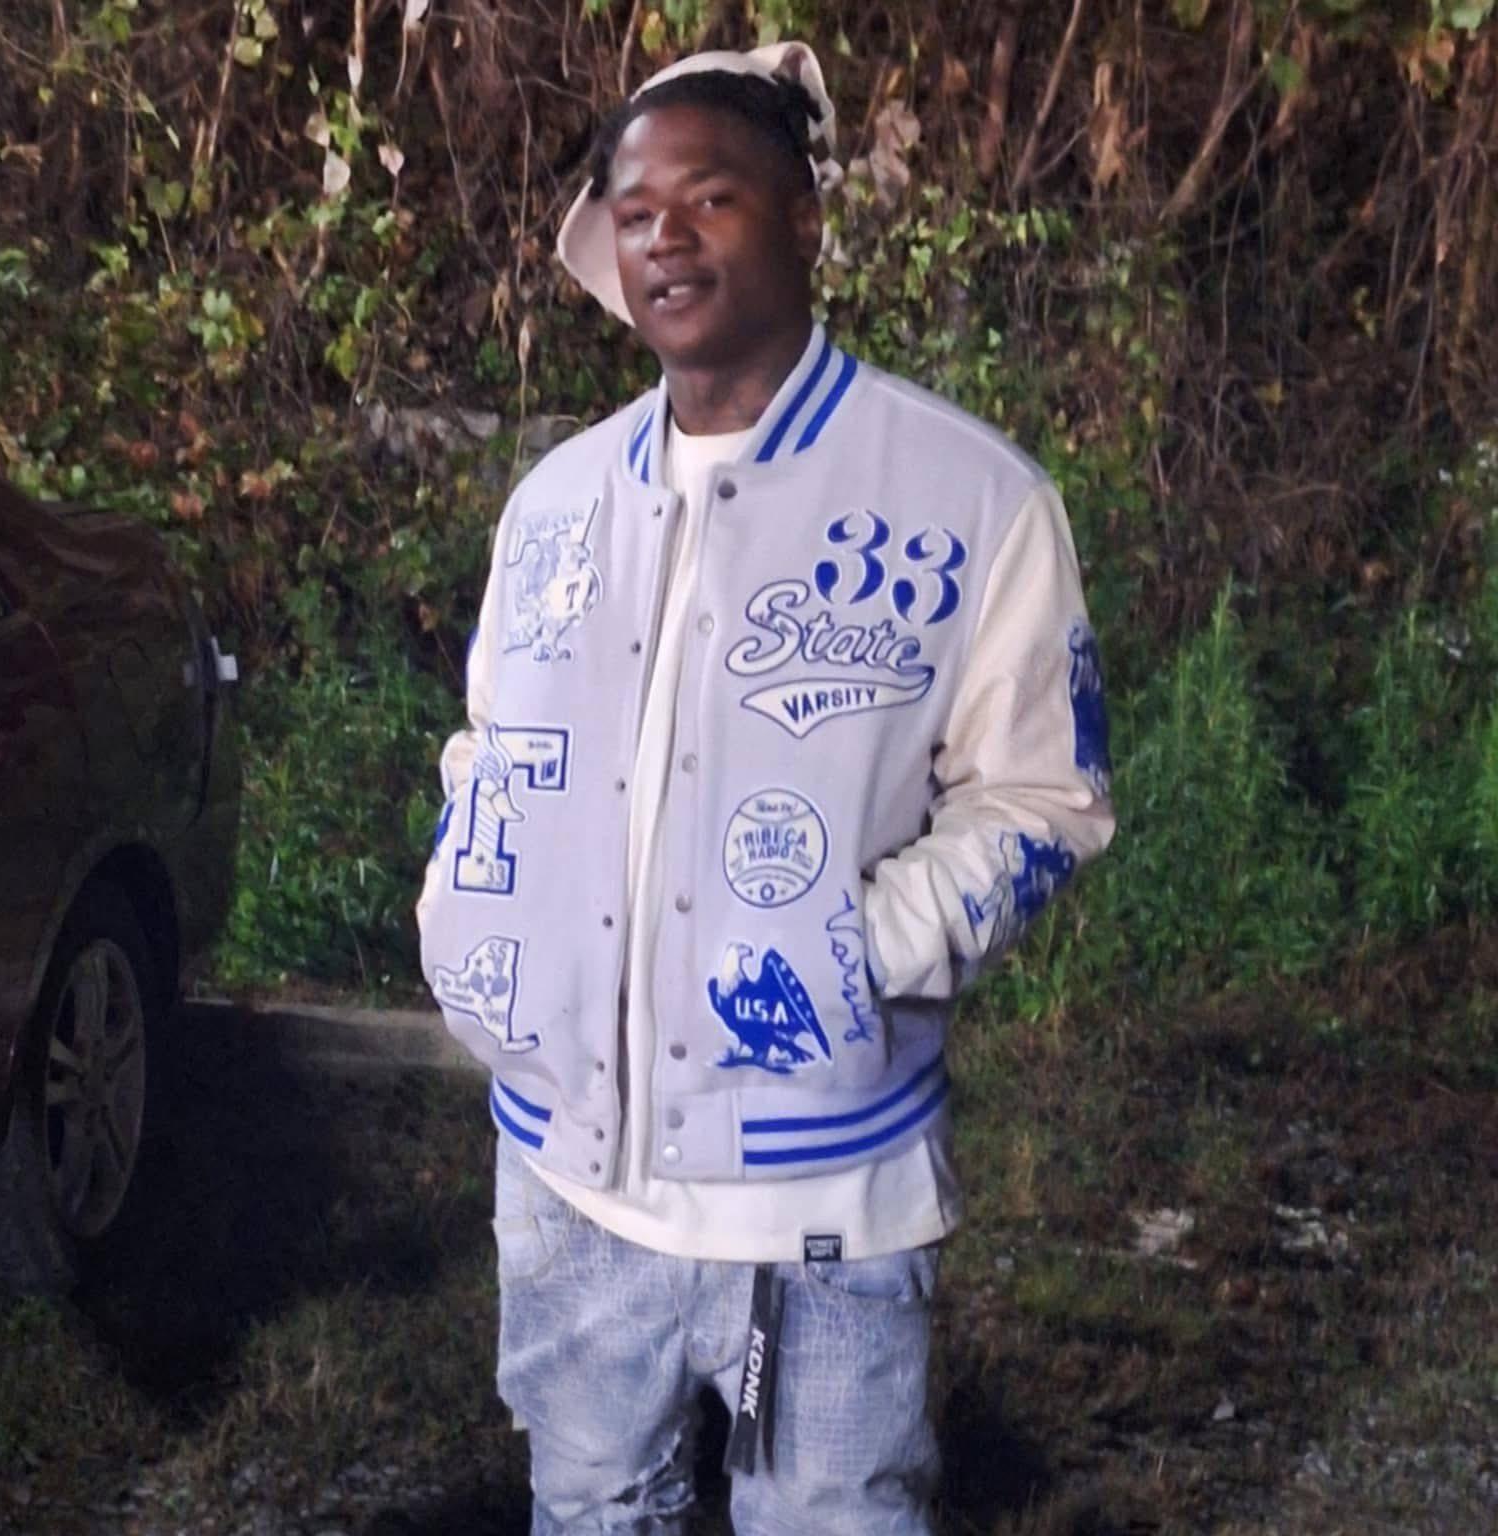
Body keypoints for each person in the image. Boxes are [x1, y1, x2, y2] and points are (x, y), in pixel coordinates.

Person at [416, 40, 1115, 1536]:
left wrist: (851, 950)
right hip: (566, 1180)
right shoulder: (555, 504)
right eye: (635, 210)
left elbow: (1044, 799)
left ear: (803, 217)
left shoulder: (968, 500)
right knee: (590, 1511)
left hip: (822, 1203)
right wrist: (466, 911)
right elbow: (490, 741)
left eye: (710, 196)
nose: (664, 235)